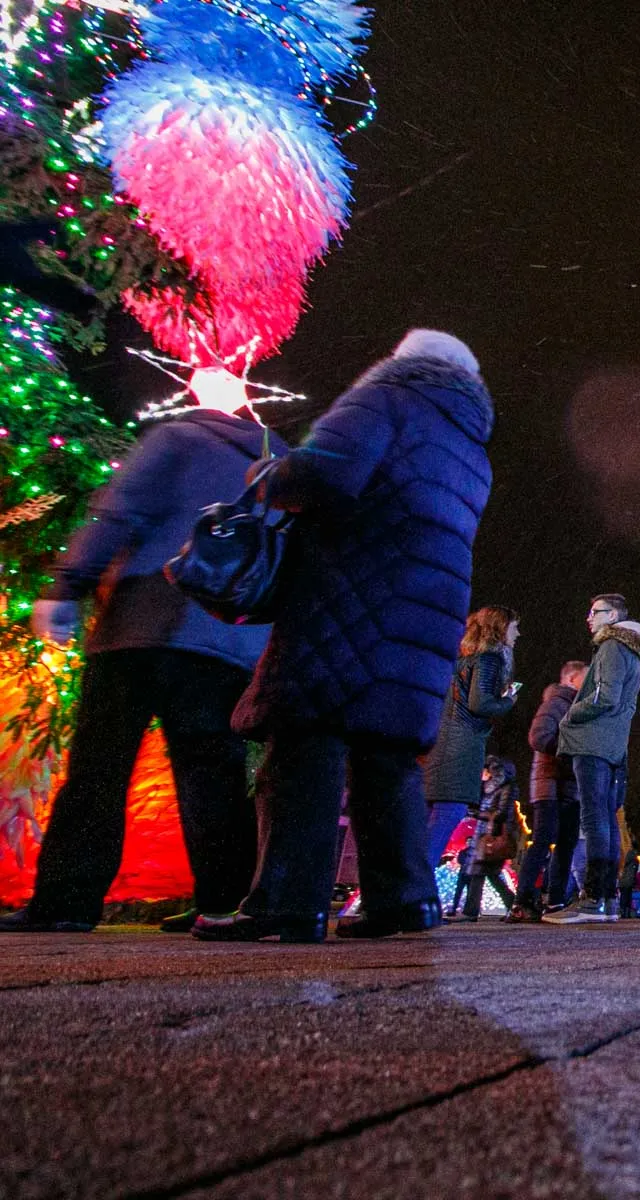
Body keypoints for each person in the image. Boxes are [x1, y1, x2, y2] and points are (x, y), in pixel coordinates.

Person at [197, 330, 492, 943]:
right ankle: (403, 900)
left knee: (307, 744)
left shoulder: (386, 399)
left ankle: (286, 902)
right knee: (385, 756)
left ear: (401, 361)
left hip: (351, 594)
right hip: (426, 613)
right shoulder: (471, 446)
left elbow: (329, 474)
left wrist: (270, 473)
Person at [2, 385, 287, 935]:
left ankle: (66, 901)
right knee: (214, 775)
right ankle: (223, 905)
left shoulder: (176, 439)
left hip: (144, 623)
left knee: (100, 769)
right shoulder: (275, 470)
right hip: (230, 639)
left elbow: (119, 510)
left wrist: (69, 584)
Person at [545, 594, 640, 925]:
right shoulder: (633, 651)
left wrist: (570, 714)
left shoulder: (611, 646)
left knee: (593, 819)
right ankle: (605, 899)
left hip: (594, 740)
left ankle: (593, 899)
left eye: (596, 612)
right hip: (614, 741)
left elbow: (605, 696)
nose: (589, 617)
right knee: (604, 818)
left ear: (614, 615)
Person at [423, 607, 520, 865]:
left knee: (433, 815)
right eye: (514, 627)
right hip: (462, 744)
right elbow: (480, 704)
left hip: (443, 741)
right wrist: (508, 700)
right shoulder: (489, 659)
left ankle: (409, 883)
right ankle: (415, 885)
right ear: (499, 628)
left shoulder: (463, 659)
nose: (518, 633)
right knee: (449, 812)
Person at [508, 661, 586, 921]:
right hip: (550, 783)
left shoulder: (573, 706)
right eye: (585, 678)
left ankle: (555, 900)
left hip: (568, 785)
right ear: (571, 679)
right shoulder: (556, 703)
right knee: (543, 839)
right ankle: (523, 900)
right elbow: (539, 736)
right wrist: (569, 753)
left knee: (566, 843)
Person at [450, 756, 522, 920]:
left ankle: (472, 912)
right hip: (483, 837)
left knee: (486, 875)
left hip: (493, 837)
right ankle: (510, 906)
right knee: (485, 875)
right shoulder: (490, 788)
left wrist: (479, 814)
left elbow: (503, 813)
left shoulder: (506, 788)